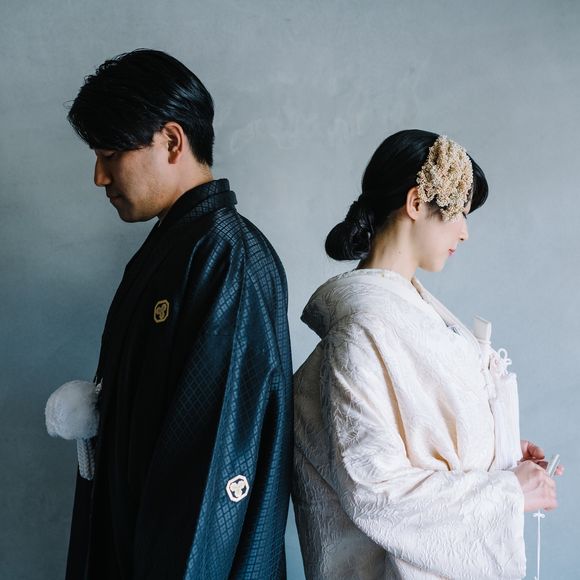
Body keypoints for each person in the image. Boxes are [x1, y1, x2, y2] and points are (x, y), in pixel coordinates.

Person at [59, 49, 293, 579]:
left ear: (170, 141)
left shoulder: (226, 256)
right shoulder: (178, 245)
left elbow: (215, 465)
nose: (99, 176)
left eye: (110, 154)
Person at [292, 130, 560, 579]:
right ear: (416, 203)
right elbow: (374, 490)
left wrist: (498, 449)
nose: (465, 233)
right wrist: (508, 491)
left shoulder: (405, 311)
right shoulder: (361, 328)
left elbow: (417, 432)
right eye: (460, 213)